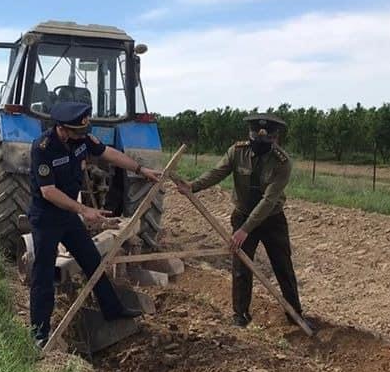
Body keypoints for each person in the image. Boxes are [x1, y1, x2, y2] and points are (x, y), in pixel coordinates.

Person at [29, 100, 161, 348]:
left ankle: (113, 310)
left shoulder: (82, 139)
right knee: (43, 274)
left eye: (83, 132)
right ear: (62, 128)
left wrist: (140, 169)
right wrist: (83, 209)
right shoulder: (43, 148)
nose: (82, 137)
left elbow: (108, 153)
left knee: (92, 260)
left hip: (68, 217)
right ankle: (39, 333)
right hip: (46, 218)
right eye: (77, 132)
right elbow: (48, 191)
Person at [177, 113, 313, 329]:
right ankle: (240, 315)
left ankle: (294, 314)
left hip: (271, 220)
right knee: (241, 267)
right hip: (242, 214)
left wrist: (245, 230)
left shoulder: (282, 163)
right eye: (254, 141)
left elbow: (269, 200)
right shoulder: (237, 152)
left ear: (274, 139)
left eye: (264, 142)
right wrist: (193, 186)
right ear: (249, 137)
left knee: (283, 266)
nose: (258, 145)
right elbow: (216, 172)